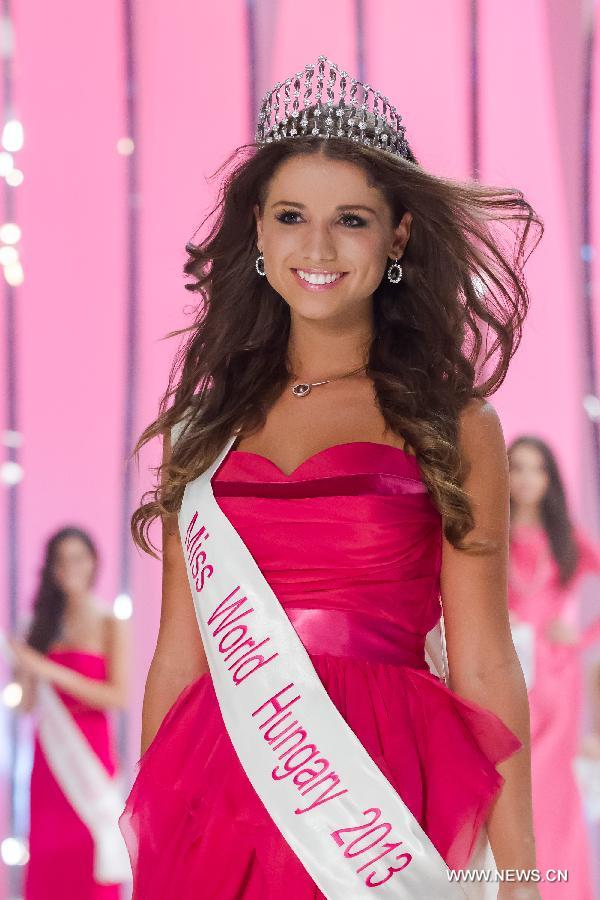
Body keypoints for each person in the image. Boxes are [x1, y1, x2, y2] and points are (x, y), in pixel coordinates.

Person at [120, 54, 544, 899]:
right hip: (227, 767)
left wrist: (523, 874)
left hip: (375, 784)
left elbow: (486, 660)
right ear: (259, 235)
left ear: (399, 236)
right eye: (290, 216)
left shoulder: (453, 423)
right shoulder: (204, 432)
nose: (316, 248)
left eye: (350, 219)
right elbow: (178, 657)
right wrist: (159, 831)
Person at [10, 526, 129, 900]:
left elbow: (118, 696)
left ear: (94, 562)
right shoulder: (36, 628)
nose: (70, 567)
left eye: (78, 557)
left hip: (90, 758)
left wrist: (47, 669)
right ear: (51, 570)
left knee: (91, 856)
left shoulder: (112, 623)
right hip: (48, 763)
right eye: (60, 560)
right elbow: (27, 705)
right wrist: (25, 667)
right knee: (47, 861)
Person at [507, 436, 600, 899]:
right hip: (509, 674)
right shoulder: (493, 533)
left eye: (537, 469)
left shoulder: (566, 538)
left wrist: (581, 638)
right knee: (513, 782)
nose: (527, 478)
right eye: (517, 467)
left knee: (552, 788)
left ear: (550, 478)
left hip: (556, 681)